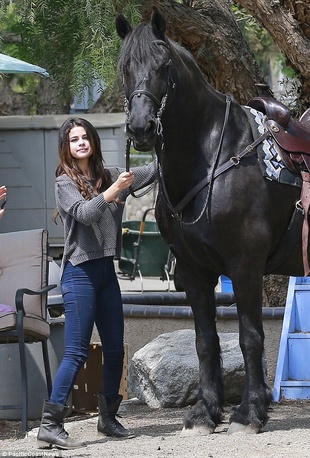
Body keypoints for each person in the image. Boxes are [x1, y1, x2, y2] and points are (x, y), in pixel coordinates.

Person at [37, 117, 158, 450]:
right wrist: (115, 189)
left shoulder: (109, 173)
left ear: (93, 141)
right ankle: (50, 424)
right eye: (74, 139)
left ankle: (107, 418)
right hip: (79, 274)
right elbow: (87, 213)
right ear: (67, 146)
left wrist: (170, 145)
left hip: (106, 272)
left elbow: (149, 172)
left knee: (115, 349)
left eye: (85, 137)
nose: (80, 142)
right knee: (76, 352)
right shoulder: (65, 182)